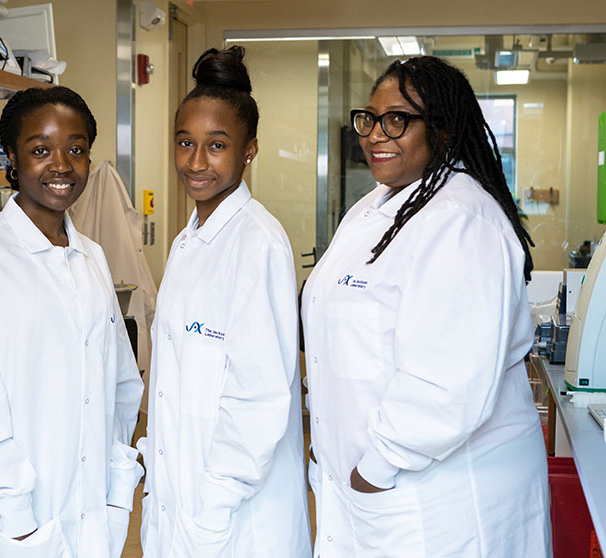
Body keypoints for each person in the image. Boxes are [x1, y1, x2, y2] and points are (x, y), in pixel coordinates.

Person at [302, 55, 551, 557]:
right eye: (369, 119)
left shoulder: (462, 221)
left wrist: (375, 468)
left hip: (438, 501)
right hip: (372, 493)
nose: (375, 134)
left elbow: (446, 385)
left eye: (398, 120)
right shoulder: (373, 208)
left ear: (442, 131)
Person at [0, 86, 144, 558]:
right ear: (12, 159)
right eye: (40, 150)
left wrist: (117, 489)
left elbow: (120, 388)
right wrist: (19, 521)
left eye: (76, 150)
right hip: (5, 527)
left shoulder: (91, 259)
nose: (61, 165)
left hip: (88, 516)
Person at [139, 46, 311, 557]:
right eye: (185, 143)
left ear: (249, 150)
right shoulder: (188, 239)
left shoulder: (258, 242)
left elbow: (259, 396)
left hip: (233, 513)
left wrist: (213, 506)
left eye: (216, 145)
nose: (195, 162)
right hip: (186, 495)